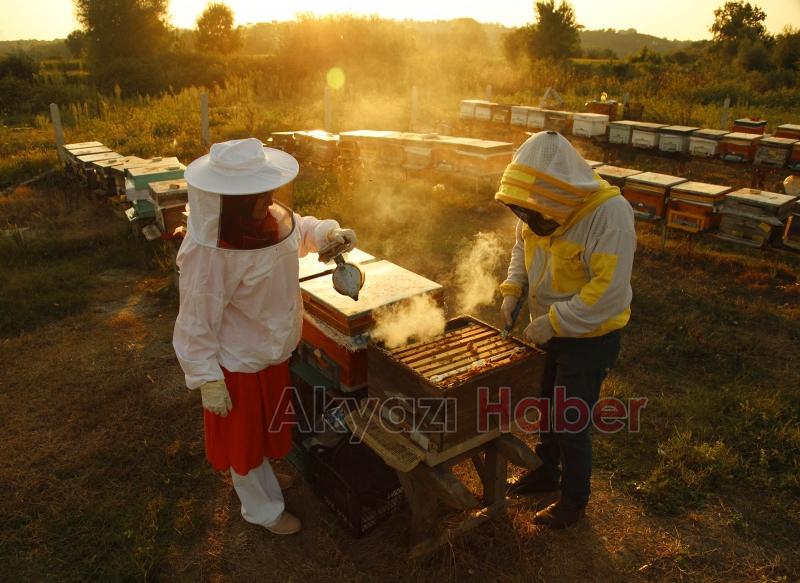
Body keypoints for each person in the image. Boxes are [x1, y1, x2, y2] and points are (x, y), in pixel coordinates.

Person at [173, 138, 356, 535]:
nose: (268, 201)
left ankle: (266, 477)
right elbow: (195, 322)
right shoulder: (210, 253)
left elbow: (300, 228)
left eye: (267, 193)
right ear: (231, 202)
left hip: (271, 351)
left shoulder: (268, 219)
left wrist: (328, 233)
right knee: (243, 439)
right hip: (236, 363)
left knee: (269, 426)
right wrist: (206, 378)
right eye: (257, 197)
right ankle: (263, 510)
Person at [496, 131, 636, 529]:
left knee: (571, 419)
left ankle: (573, 501)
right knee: (546, 406)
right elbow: (522, 247)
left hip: (591, 337)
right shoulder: (537, 205)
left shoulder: (610, 216)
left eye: (533, 211)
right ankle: (545, 471)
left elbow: (607, 293)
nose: (529, 219)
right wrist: (512, 291)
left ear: (560, 193)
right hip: (550, 328)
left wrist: (553, 323)